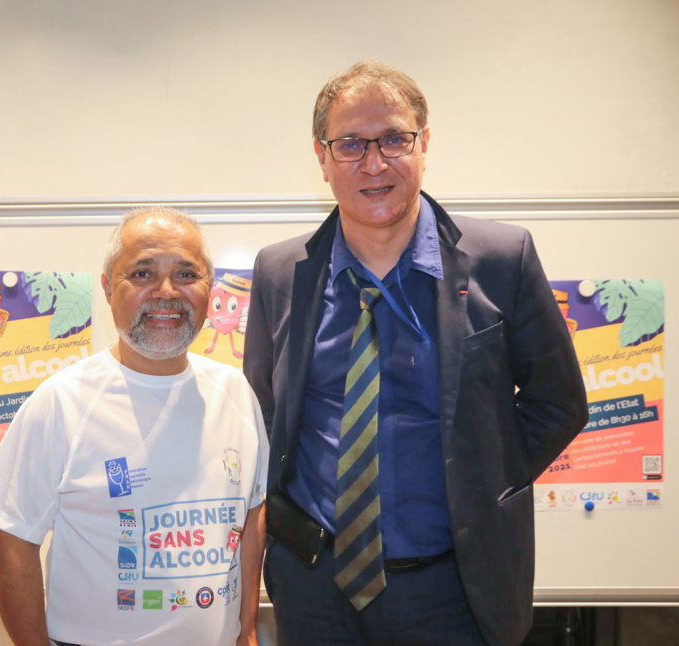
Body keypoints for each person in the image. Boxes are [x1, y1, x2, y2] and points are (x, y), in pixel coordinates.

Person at [243, 61, 588, 646]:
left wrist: (482, 481)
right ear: (322, 158)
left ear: (424, 144)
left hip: (454, 589)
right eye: (350, 144)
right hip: (314, 587)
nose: (373, 164)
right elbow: (263, 414)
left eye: (394, 140)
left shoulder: (503, 259)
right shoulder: (280, 272)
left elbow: (558, 404)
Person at [0, 207, 268, 646]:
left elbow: (252, 515)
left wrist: (246, 630)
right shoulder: (61, 402)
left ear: (209, 288)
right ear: (108, 287)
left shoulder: (235, 391)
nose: (166, 292)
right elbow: (14, 540)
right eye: (142, 273)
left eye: (186, 274)